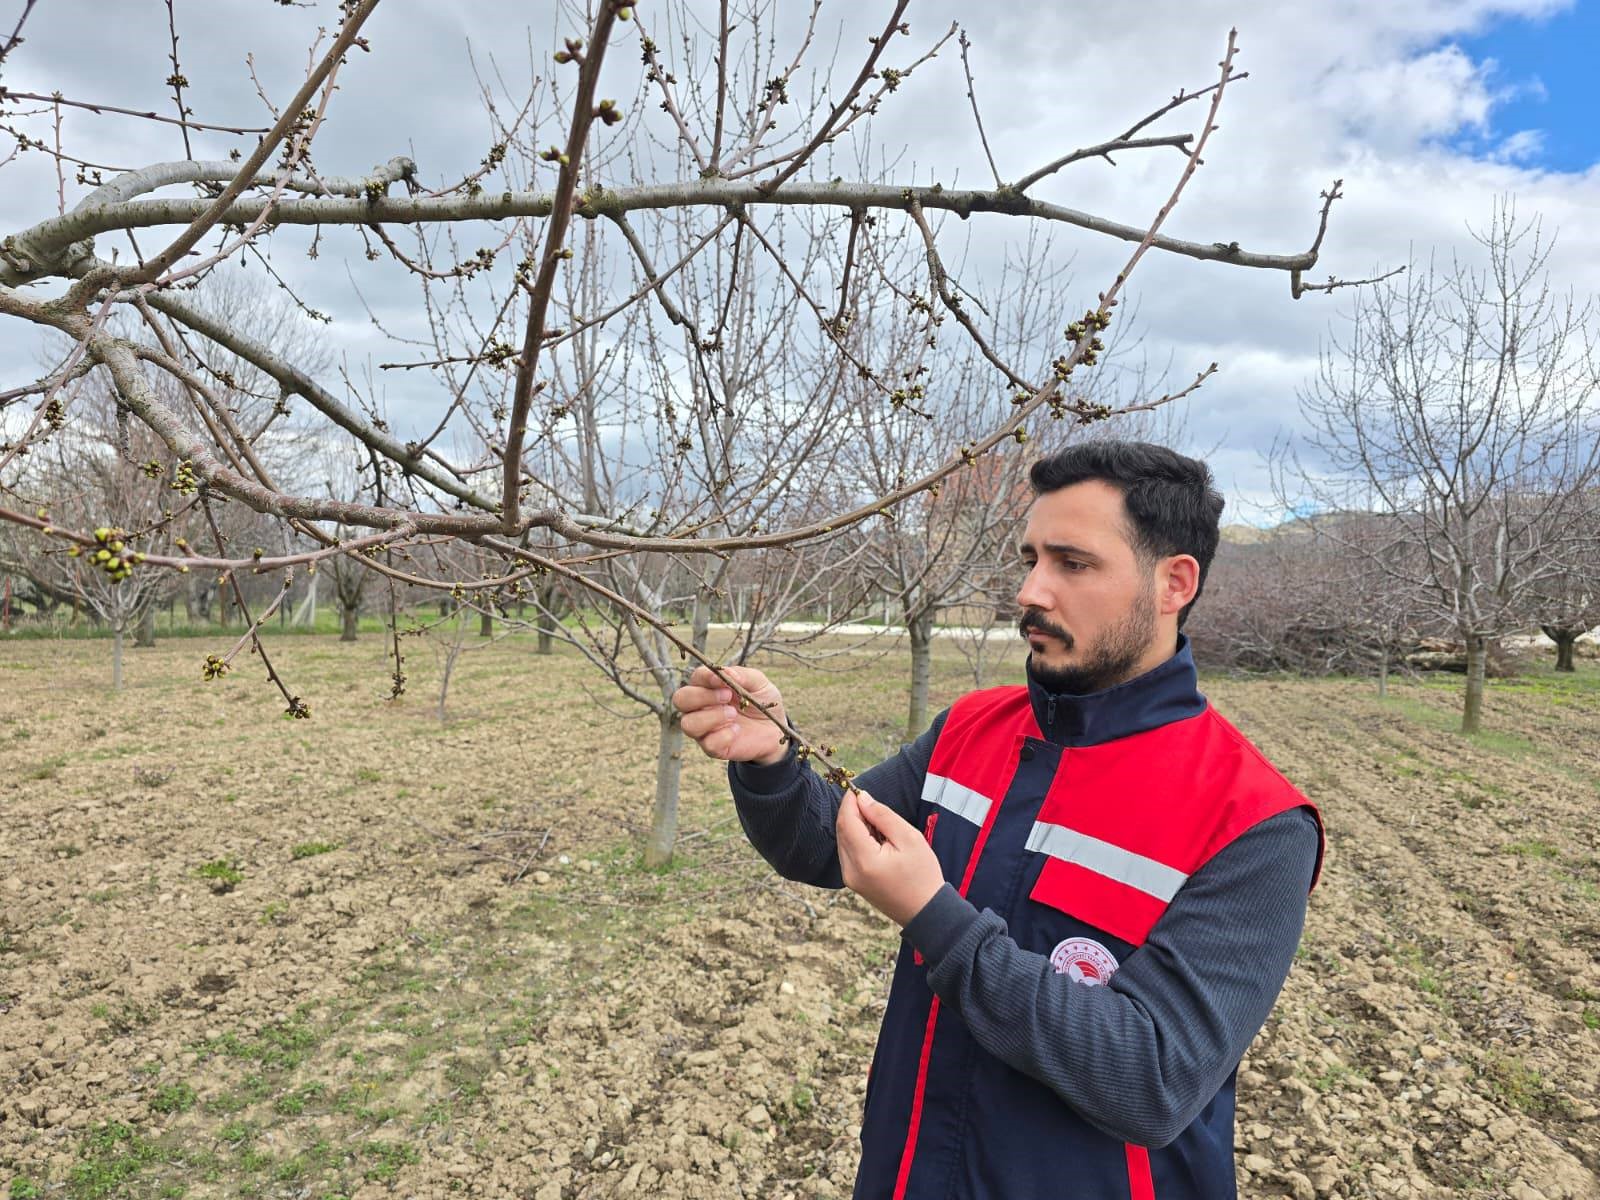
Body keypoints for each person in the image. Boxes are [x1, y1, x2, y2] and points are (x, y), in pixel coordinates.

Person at [673, 441, 1325, 1200]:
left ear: (1173, 582)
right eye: (1031, 559)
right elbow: (827, 843)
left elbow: (1153, 1079)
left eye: (1072, 564)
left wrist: (933, 916)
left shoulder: (1256, 823)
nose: (1030, 591)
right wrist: (772, 761)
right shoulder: (972, 730)